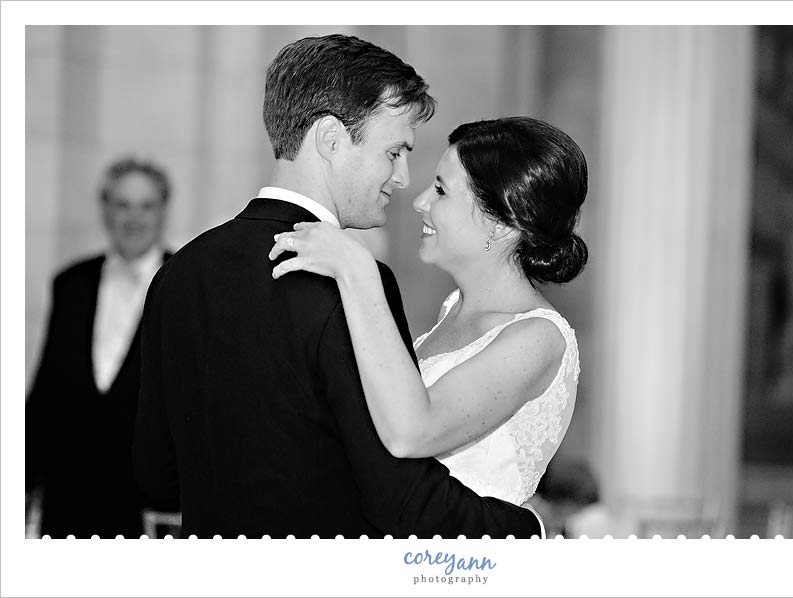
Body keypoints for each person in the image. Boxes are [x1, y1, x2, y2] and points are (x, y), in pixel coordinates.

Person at [132, 34, 543, 539]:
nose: (402, 176)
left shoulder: (178, 272)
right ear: (330, 139)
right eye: (393, 151)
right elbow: (398, 497)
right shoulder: (349, 282)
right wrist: (527, 531)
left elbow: (156, 472)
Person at [270, 116, 587, 508]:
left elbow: (412, 433)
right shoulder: (452, 310)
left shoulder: (538, 338)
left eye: (441, 190)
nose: (421, 201)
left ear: (502, 225)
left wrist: (358, 272)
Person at [26, 157, 173, 538]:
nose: (133, 218)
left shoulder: (184, 286)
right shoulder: (70, 282)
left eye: (146, 206)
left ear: (163, 211)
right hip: (68, 499)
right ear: (105, 209)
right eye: (122, 204)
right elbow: (46, 392)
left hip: (143, 506)